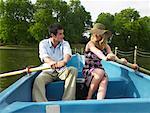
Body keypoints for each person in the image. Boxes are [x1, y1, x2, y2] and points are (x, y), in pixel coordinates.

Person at [32, 23, 77, 102]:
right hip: (48, 71)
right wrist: (52, 63)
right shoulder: (43, 43)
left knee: (73, 70)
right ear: (53, 35)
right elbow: (44, 56)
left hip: (62, 71)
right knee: (38, 80)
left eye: (62, 33)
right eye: (60, 34)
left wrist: (64, 61)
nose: (63, 36)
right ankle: (42, 104)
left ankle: (67, 101)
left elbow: (68, 54)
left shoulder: (65, 43)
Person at [82, 23, 126, 100]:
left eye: (99, 33)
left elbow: (112, 55)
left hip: (99, 70)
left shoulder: (105, 45)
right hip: (89, 70)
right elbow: (97, 52)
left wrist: (121, 60)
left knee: (104, 79)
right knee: (101, 72)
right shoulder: (90, 44)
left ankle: (100, 102)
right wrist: (105, 58)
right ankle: (88, 97)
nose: (96, 35)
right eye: (95, 32)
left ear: (103, 35)